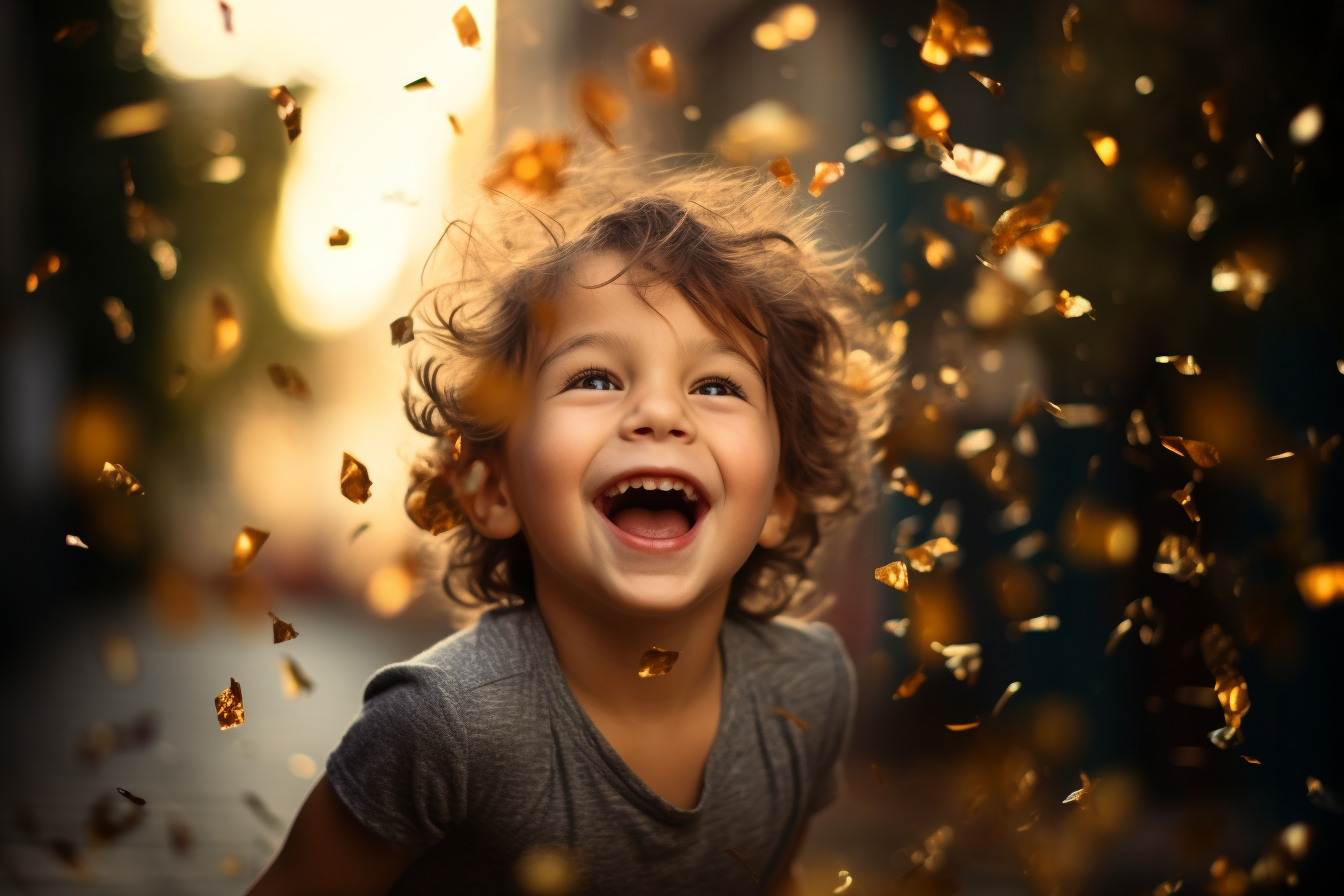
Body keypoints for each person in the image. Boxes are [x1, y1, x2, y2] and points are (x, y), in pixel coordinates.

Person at [244, 150, 895, 896]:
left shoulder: (806, 695)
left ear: (779, 497)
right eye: (594, 379)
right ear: (492, 486)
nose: (658, 413)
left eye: (717, 384)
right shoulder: (443, 730)